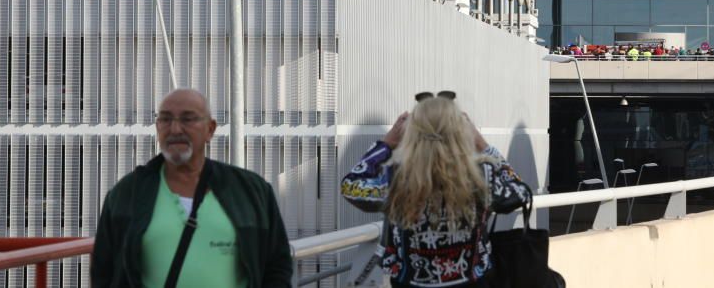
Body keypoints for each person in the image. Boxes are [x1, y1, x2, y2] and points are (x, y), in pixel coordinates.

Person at [91, 88, 293, 287]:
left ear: (210, 129)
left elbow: (277, 264)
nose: (175, 129)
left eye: (188, 119)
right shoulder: (126, 195)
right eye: (166, 119)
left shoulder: (250, 192)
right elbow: (104, 272)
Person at [341, 93, 531, 287]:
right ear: (461, 131)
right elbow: (520, 191)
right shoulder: (482, 176)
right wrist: (481, 143)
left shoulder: (395, 179)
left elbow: (351, 186)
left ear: (412, 132)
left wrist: (386, 144)